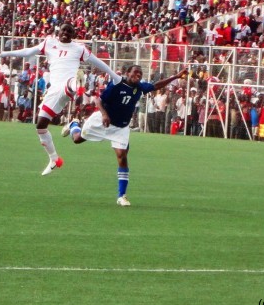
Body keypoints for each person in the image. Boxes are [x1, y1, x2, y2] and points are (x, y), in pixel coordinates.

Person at [0, 23, 121, 175]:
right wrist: (4, 53)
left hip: (68, 83)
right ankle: (54, 159)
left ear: (73, 34)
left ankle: (80, 85)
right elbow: (29, 51)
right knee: (40, 126)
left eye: (69, 32)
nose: (66, 33)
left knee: (73, 82)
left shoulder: (79, 48)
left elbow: (97, 62)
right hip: (54, 91)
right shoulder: (50, 43)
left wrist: (115, 77)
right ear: (59, 31)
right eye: (64, 30)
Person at [61, 65, 187, 206]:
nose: (137, 75)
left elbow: (156, 85)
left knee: (122, 156)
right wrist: (104, 114)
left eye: (140, 74)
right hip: (103, 120)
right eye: (135, 73)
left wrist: (176, 76)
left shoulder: (140, 87)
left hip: (120, 127)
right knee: (77, 140)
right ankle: (74, 125)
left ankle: (122, 196)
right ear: (128, 73)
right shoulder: (116, 84)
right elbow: (98, 100)